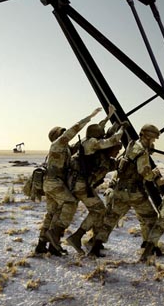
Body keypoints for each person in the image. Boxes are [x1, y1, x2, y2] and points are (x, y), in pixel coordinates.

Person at [34, 107, 102, 256]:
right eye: (62, 132)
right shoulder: (57, 145)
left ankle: (43, 245)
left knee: (52, 214)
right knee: (70, 203)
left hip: (53, 183)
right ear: (57, 136)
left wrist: (102, 123)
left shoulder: (66, 149)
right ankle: (55, 234)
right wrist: (90, 116)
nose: (65, 134)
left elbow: (84, 143)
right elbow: (74, 129)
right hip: (53, 182)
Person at [88, 124, 164, 257]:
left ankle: (95, 247)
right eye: (153, 139)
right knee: (150, 218)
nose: (153, 142)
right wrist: (155, 174)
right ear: (147, 137)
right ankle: (151, 247)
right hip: (135, 192)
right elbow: (145, 173)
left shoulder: (131, 145)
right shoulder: (142, 152)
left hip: (120, 189)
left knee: (110, 219)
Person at [65, 105, 128, 254]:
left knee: (98, 210)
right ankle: (77, 237)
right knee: (99, 209)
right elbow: (111, 140)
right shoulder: (93, 144)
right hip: (80, 184)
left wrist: (108, 116)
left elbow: (101, 129)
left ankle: (94, 242)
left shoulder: (91, 142)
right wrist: (122, 129)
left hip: (80, 183)